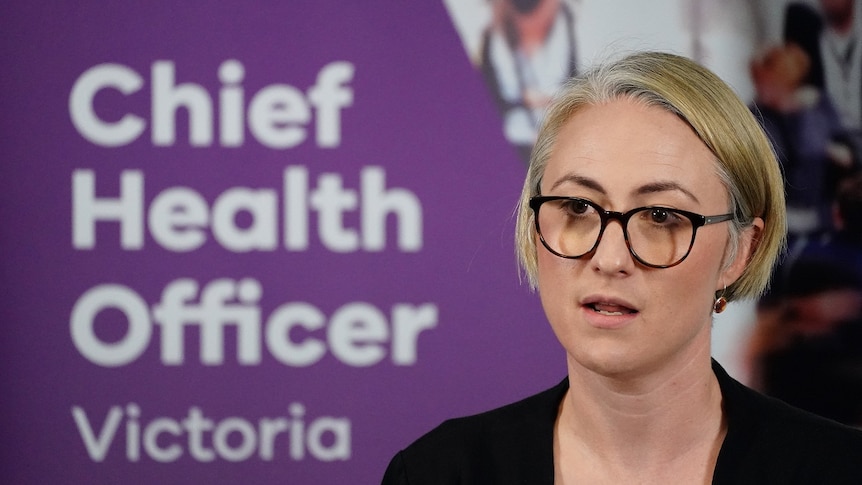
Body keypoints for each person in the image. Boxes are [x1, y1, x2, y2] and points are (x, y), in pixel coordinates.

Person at [382, 51, 862, 484]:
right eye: (576, 207)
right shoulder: (439, 473)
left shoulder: (838, 470)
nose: (609, 260)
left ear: (740, 252)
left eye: (660, 217)